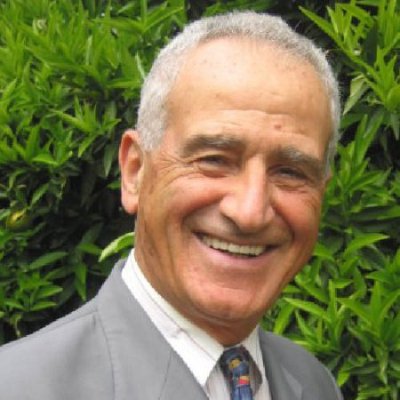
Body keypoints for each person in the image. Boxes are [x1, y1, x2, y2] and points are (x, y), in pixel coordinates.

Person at [0, 11, 343, 400]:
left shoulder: (314, 384)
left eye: (290, 172)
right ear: (135, 171)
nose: (249, 212)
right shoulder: (17, 387)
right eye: (214, 160)